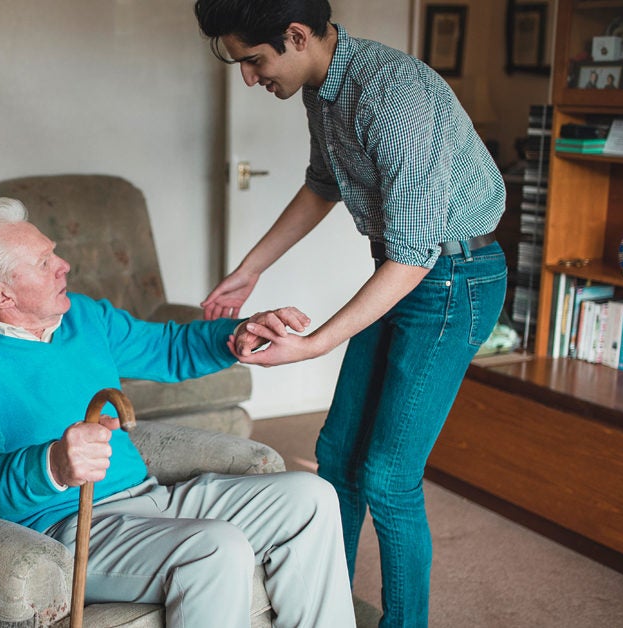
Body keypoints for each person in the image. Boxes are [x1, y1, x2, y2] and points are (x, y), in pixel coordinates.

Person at [193, 2, 508, 627]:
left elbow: (416, 256)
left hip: (453, 281)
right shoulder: (323, 89)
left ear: (296, 35)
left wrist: (313, 346)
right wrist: (252, 268)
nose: (250, 79)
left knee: (389, 477)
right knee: (337, 455)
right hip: (406, 269)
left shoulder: (395, 95)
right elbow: (321, 184)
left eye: (254, 61)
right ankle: (327, 610)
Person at [0, 197, 356, 627]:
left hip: (153, 499)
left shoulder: (83, 316)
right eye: (43, 262)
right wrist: (54, 464)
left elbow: (167, 347)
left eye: (53, 252)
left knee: (311, 498)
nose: (63, 265)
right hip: (72, 529)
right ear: (0, 293)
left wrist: (238, 333)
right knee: (215, 546)